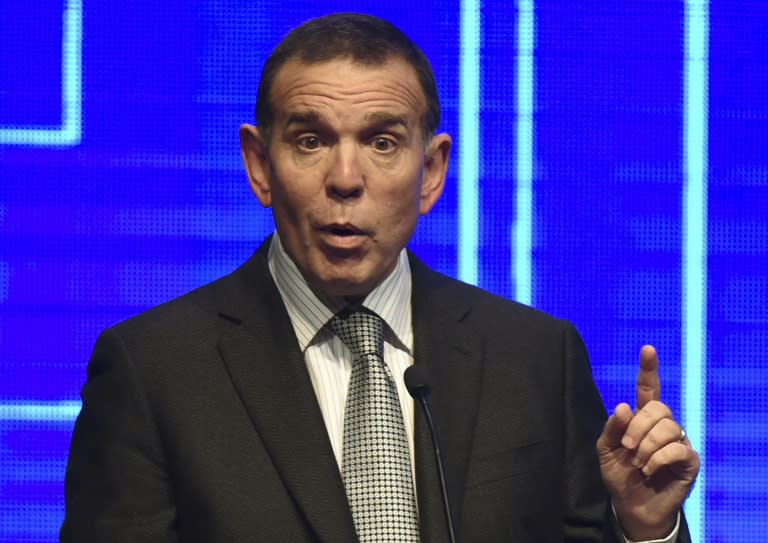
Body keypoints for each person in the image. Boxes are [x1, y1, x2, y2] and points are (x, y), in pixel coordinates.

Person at [61, 13, 700, 542]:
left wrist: (644, 528)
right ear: (259, 165)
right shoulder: (154, 371)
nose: (345, 178)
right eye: (310, 140)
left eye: (383, 142)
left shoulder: (535, 357)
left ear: (431, 172)